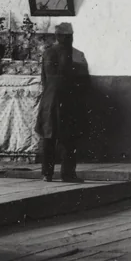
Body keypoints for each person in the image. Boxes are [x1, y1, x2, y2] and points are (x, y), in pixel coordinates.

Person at [34, 22, 89, 182]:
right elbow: (84, 83)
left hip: (49, 101)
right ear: (70, 36)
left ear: (57, 37)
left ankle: (47, 173)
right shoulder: (77, 55)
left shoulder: (47, 53)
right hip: (69, 101)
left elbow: (43, 79)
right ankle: (68, 174)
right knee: (69, 139)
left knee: (48, 139)